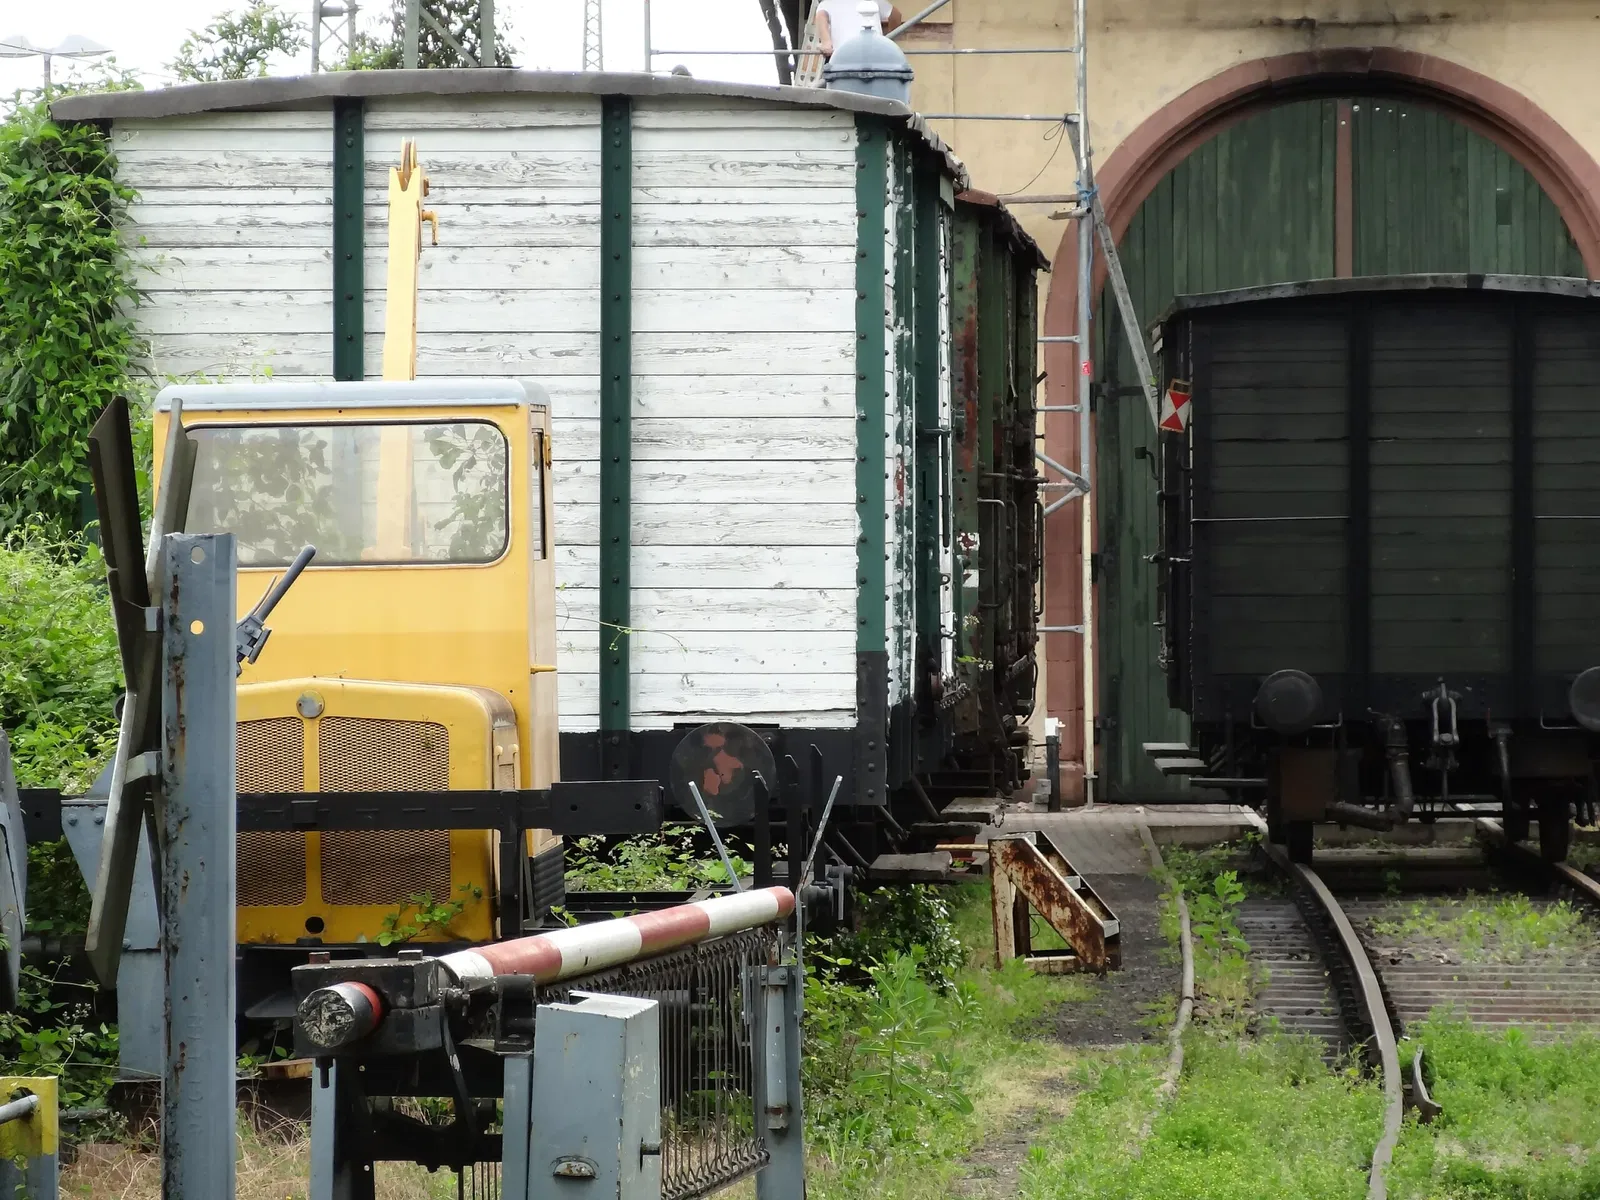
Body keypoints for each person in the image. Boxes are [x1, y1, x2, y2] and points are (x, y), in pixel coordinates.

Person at [816, 0, 903, 59]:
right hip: (875, 54)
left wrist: (826, 42)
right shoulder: (872, 1)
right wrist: (888, 41)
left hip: (843, 58)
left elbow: (821, 17)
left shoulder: (827, 3)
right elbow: (896, 15)